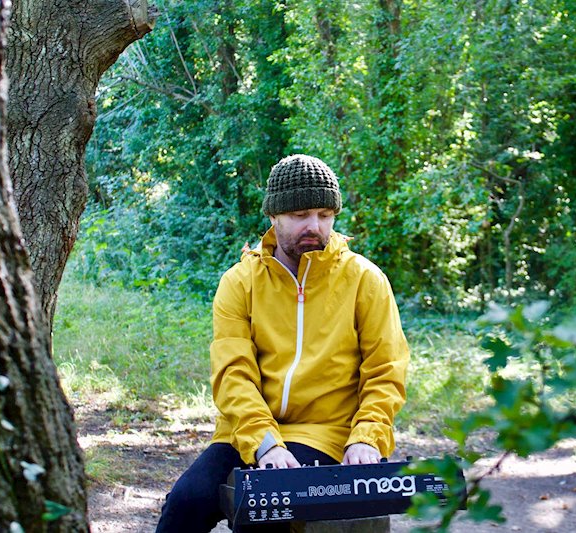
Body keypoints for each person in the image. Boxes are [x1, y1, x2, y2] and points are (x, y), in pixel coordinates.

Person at [156, 154, 410, 532]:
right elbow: (233, 374)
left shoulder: (365, 280)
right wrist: (265, 443)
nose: (315, 226)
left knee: (264, 512)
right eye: (301, 214)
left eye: (325, 214)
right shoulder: (239, 282)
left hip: (326, 432)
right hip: (245, 430)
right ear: (273, 217)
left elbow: (386, 371)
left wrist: (367, 437)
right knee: (184, 505)